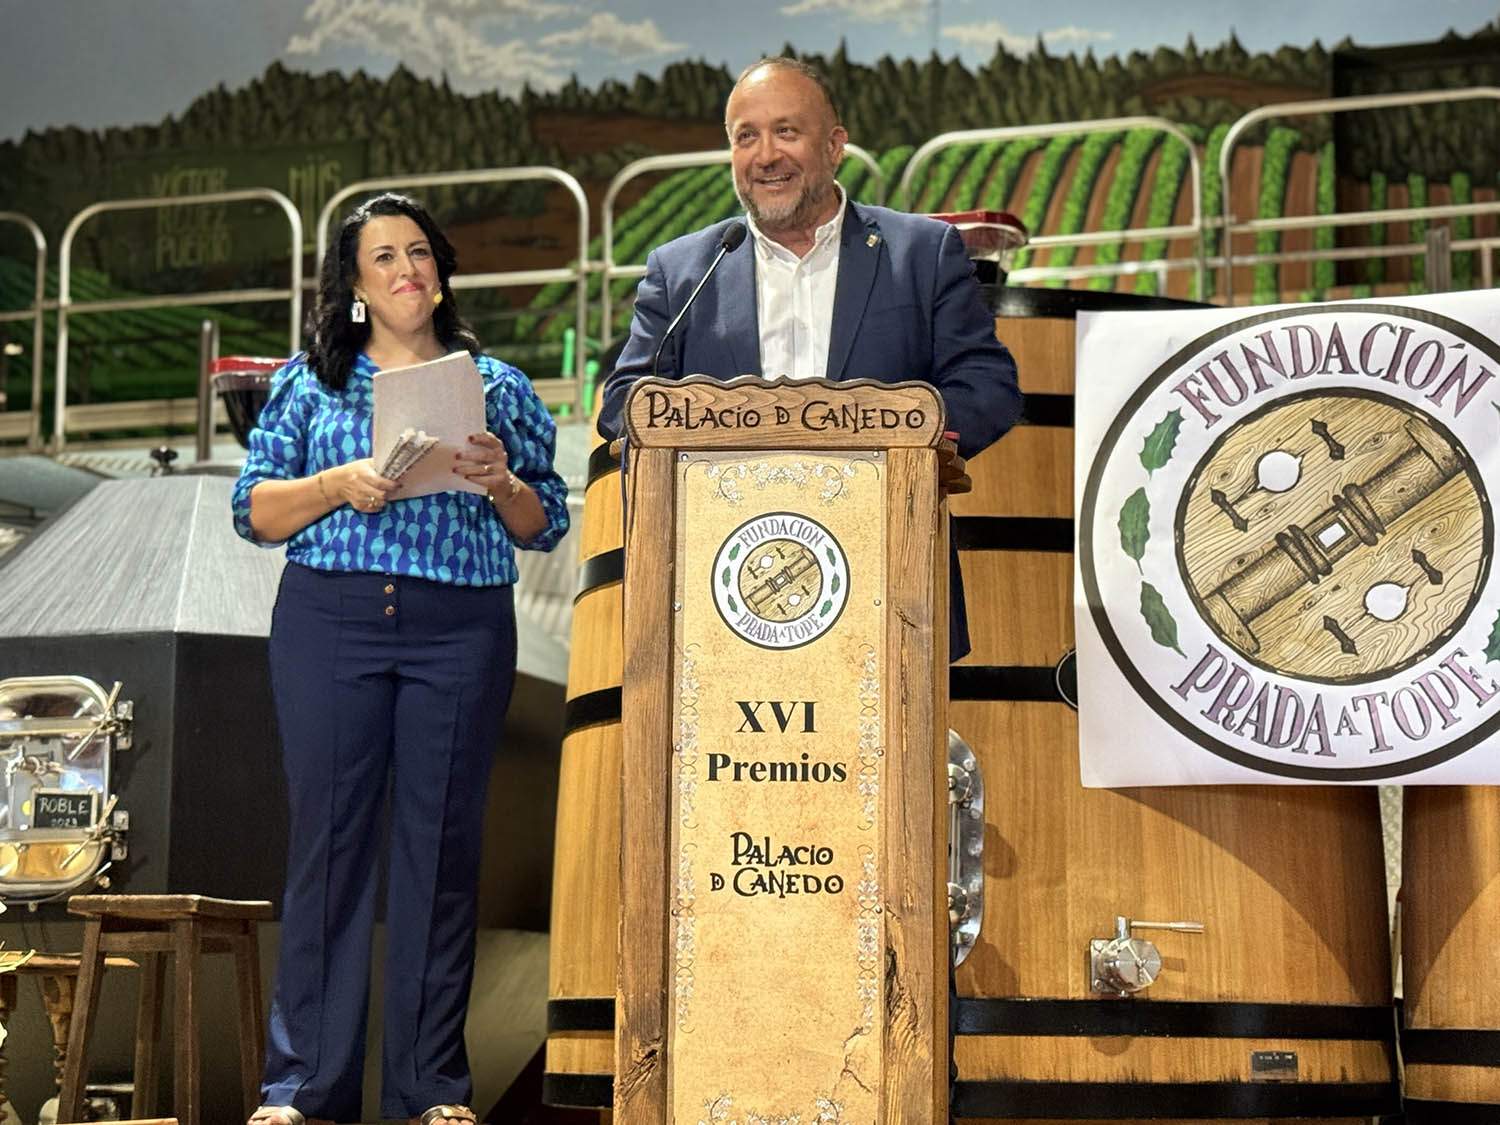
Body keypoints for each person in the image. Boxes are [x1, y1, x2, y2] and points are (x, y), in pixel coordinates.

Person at [231, 192, 569, 1125]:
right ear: (353, 284)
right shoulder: (309, 384)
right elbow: (253, 511)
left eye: (418, 252)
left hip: (459, 625)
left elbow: (546, 523)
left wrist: (502, 480)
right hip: (330, 619)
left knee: (441, 847)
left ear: (441, 270)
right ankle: (302, 1087)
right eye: (383, 257)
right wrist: (340, 483)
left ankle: (429, 1089)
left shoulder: (497, 387)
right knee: (329, 847)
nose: (405, 269)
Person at [599, 55, 1022, 659]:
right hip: (720, 588)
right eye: (746, 137)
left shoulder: (919, 253)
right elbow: (624, 404)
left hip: (889, 578)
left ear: (834, 146)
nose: (765, 154)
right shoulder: (687, 267)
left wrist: (906, 436)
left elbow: (988, 386)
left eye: (787, 132)